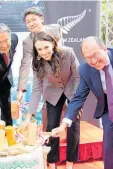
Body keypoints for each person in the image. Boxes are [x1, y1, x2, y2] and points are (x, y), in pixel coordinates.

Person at [52, 36, 113, 169]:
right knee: (109, 152)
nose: (94, 61)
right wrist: (63, 125)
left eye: (96, 54)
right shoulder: (85, 69)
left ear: (105, 48)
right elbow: (79, 97)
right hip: (109, 111)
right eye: (88, 58)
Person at [22, 32, 80, 169]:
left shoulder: (68, 53)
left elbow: (78, 77)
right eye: (39, 49)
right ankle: (52, 164)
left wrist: (77, 102)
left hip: (71, 90)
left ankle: (69, 164)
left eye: (46, 47)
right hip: (52, 93)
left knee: (73, 125)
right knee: (51, 126)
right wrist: (28, 116)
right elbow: (36, 90)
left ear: (53, 44)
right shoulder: (36, 63)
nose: (43, 52)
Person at [16, 6, 62, 103]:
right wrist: (21, 89)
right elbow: (25, 64)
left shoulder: (55, 29)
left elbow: (62, 51)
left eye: (33, 19)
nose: (31, 23)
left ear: (41, 18)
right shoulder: (27, 42)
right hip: (43, 73)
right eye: (28, 22)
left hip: (60, 69)